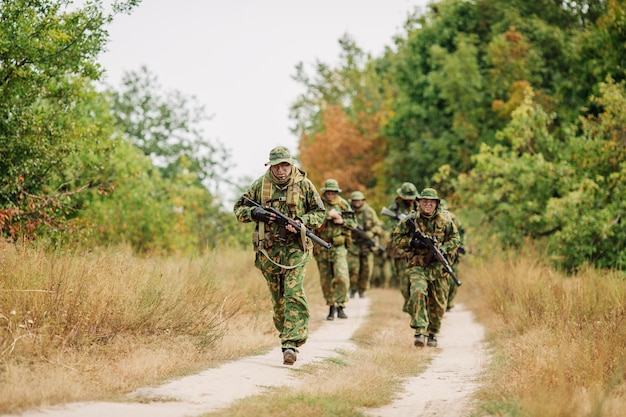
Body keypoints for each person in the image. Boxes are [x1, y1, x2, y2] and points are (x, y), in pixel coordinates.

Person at [233, 146, 326, 365]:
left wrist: (303, 223)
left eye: (285, 165)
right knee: (279, 300)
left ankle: (291, 343)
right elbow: (239, 209)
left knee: (293, 292)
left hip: (296, 249)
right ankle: (285, 335)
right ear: (270, 166)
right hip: (270, 251)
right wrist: (255, 213)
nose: (281, 170)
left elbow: (319, 213)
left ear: (291, 164)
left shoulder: (304, 185)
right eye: (277, 166)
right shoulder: (260, 185)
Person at [391, 187, 461, 348]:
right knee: (417, 291)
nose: (428, 204)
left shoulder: (445, 220)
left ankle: (433, 333)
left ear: (436, 204)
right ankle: (420, 331)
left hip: (438, 267)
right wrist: (412, 242)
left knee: (438, 302)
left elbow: (456, 239)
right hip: (418, 265)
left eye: (431, 202)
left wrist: (443, 249)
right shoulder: (411, 220)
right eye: (425, 201)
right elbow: (396, 238)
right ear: (419, 203)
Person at [313, 179, 357, 320]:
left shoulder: (343, 204)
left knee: (342, 276)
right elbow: (312, 220)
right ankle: (331, 306)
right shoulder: (318, 203)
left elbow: (353, 223)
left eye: (333, 192)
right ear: (324, 192)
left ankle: (341, 305)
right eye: (328, 192)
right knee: (326, 279)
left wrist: (342, 221)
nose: (331, 194)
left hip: (338, 246)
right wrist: (328, 216)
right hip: (321, 246)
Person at [380, 182, 419, 312]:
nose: (409, 200)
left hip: (416, 247)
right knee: (403, 277)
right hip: (400, 247)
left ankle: (414, 303)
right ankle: (408, 302)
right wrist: (403, 225)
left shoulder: (418, 204)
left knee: (415, 277)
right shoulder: (395, 207)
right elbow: (390, 227)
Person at [347, 191, 383, 298]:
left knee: (366, 270)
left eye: (359, 200)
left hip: (367, 245)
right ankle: (353, 289)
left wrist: (371, 233)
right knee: (353, 269)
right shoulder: (348, 211)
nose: (357, 202)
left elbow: (378, 226)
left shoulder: (369, 212)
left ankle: (362, 290)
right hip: (353, 245)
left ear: (362, 201)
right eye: (355, 200)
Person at [440, 199, 466, 311]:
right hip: (448, 250)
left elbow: (460, 233)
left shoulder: (450, 218)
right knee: (452, 275)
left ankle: (446, 302)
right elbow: (462, 233)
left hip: (447, 250)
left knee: (447, 276)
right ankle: (448, 303)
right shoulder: (453, 217)